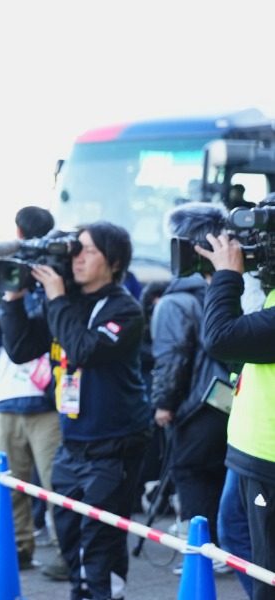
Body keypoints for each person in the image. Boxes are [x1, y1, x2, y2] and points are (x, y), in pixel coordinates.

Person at [0, 221, 151, 600]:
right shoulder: (68, 302)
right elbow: (20, 349)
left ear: (114, 262)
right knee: (69, 539)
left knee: (100, 545)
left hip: (114, 445)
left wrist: (55, 298)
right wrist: (14, 297)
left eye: (89, 251)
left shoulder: (124, 309)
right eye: (75, 250)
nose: (77, 259)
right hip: (72, 444)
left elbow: (84, 350)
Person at [0, 205, 61, 572]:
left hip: (46, 400)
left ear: (18, 231)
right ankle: (19, 549)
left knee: (57, 486)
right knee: (12, 484)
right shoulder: (7, 274)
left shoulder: (53, 274)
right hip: (11, 397)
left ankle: (67, 552)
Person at [149, 202, 231, 574]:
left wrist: (163, 403)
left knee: (190, 473)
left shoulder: (174, 301)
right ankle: (226, 548)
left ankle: (204, 554)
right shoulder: (228, 288)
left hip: (194, 406)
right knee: (222, 475)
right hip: (230, 400)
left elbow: (171, 359)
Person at [197, 225, 275, 600]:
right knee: (236, 537)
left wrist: (227, 277)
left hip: (268, 459)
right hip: (250, 451)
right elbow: (242, 351)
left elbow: (221, 338)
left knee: (267, 573)